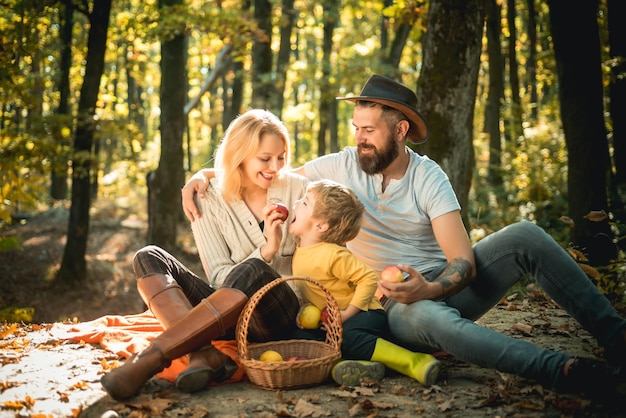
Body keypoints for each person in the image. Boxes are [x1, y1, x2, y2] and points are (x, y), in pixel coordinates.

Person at [182, 75, 626, 399]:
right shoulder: (339, 166)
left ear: (401, 130)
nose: (359, 140)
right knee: (426, 318)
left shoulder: (428, 177)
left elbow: (464, 263)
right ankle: (564, 371)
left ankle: (616, 338)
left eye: (369, 130)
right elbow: (270, 171)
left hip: (445, 286)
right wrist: (204, 175)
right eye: (356, 128)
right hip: (390, 303)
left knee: (524, 235)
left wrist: (429, 287)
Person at [100, 109, 310, 401]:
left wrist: (267, 252)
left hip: (279, 315)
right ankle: (202, 354)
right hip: (225, 316)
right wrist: (264, 250)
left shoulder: (300, 190)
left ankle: (148, 360)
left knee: (257, 270)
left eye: (282, 157)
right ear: (241, 154)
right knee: (148, 256)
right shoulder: (208, 198)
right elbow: (219, 277)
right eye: (265, 158)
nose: (275, 167)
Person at [289, 179, 441, 387]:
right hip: (334, 320)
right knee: (300, 337)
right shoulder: (301, 250)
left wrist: (347, 314)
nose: (296, 203)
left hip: (364, 314)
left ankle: (414, 362)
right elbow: (315, 290)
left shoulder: (333, 254)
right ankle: (349, 365)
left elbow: (369, 278)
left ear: (321, 225)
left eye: (304, 203)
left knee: (349, 337)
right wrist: (307, 311)